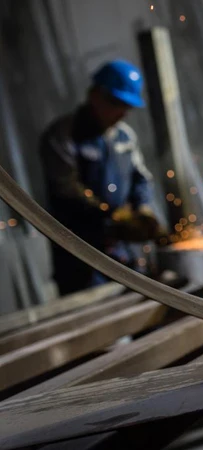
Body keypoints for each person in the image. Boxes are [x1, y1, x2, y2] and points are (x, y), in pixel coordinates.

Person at [40, 59, 162, 295]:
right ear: (95, 95)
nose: (122, 113)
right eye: (117, 104)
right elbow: (67, 189)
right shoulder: (64, 135)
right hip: (80, 255)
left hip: (122, 253)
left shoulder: (125, 137)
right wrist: (111, 214)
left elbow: (140, 178)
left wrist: (144, 209)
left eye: (127, 106)